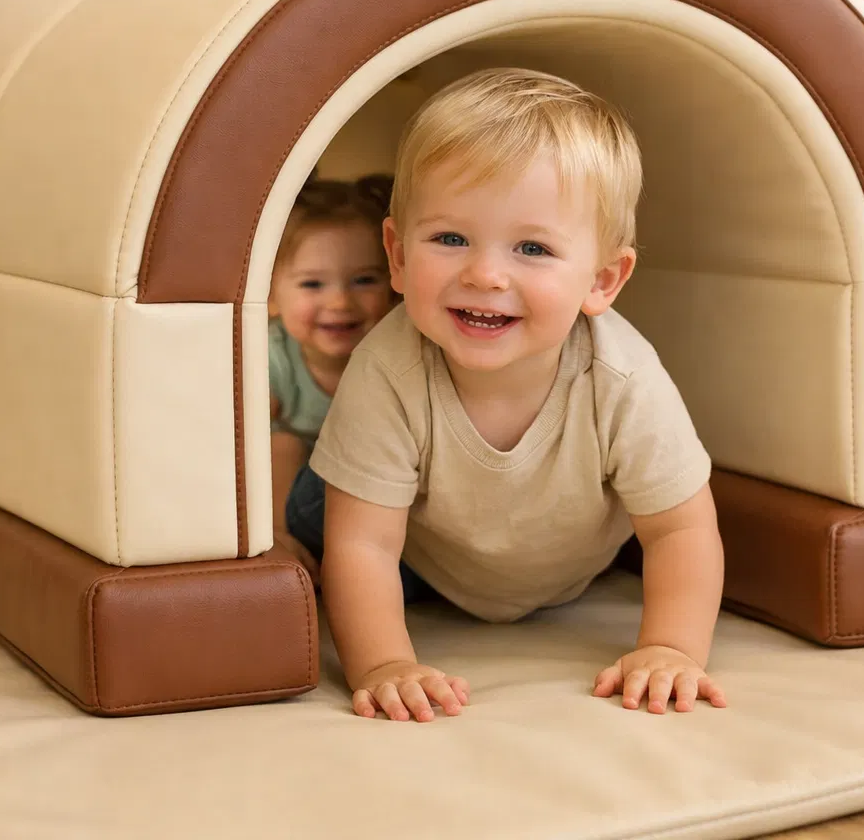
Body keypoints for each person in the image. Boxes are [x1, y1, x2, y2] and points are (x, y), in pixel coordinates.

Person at [297, 67, 727, 723]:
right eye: (449, 238)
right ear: (398, 255)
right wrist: (384, 663)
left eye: (531, 247)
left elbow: (680, 528)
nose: (486, 274)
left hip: (561, 563)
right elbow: (365, 545)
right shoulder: (388, 367)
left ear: (603, 280)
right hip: (424, 557)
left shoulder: (622, 379)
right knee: (314, 515)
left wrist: (670, 647)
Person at [266, 173, 397, 577]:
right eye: (312, 284)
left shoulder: (397, 350)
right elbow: (238, 445)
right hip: (294, 492)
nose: (340, 301)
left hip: (370, 488)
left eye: (364, 280)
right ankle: (276, 541)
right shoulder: (273, 357)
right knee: (280, 443)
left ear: (395, 284)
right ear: (270, 295)